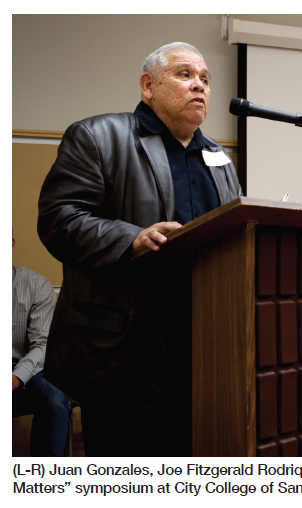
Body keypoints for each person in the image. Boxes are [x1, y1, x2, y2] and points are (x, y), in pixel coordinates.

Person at [37, 43, 242, 456]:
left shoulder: (216, 155)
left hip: (205, 347)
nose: (199, 85)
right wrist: (129, 238)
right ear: (149, 86)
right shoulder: (98, 136)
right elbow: (57, 220)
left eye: (205, 78)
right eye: (185, 75)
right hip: (125, 352)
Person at [12, 238, 69, 456]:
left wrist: (15, 378)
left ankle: (44, 481)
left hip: (25, 367)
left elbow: (43, 344)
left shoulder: (36, 285)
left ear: (11, 244)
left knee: (53, 395)